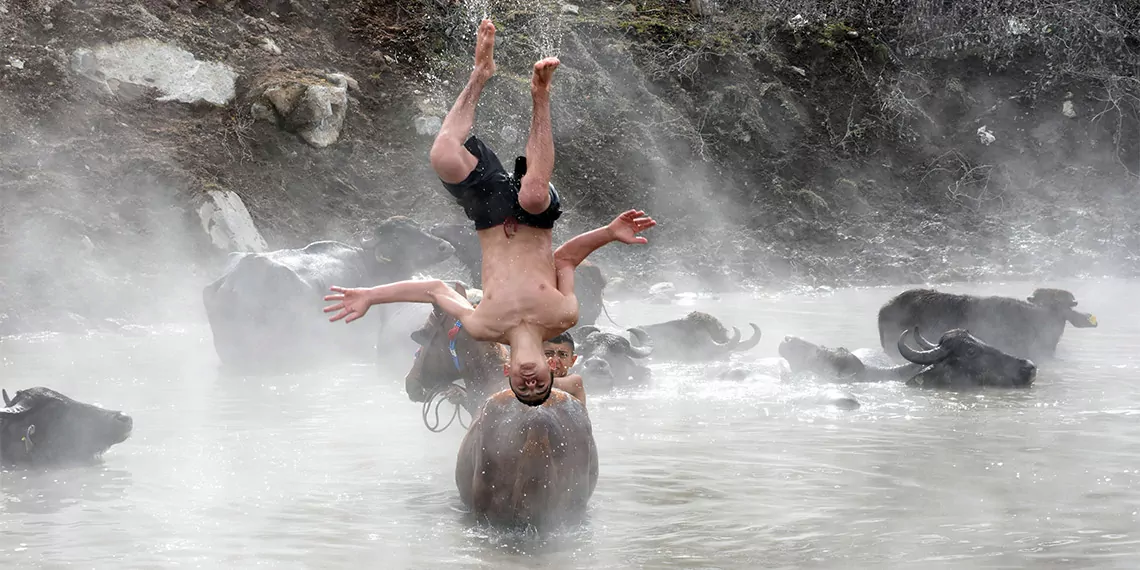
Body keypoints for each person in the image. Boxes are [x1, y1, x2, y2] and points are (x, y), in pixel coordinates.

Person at [322, 19, 656, 407]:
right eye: (539, 386)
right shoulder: (563, 315)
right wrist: (610, 232)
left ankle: (481, 73)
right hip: (536, 217)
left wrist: (370, 295)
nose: (530, 382)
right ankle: (540, 94)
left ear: (508, 374)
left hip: (489, 218)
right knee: (532, 193)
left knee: (443, 155)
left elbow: (435, 289)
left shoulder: (483, 325)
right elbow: (565, 258)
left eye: (522, 388)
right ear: (552, 370)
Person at [543, 332, 586, 406]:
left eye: (563, 354)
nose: (555, 360)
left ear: (572, 361)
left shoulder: (575, 381)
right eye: (548, 354)